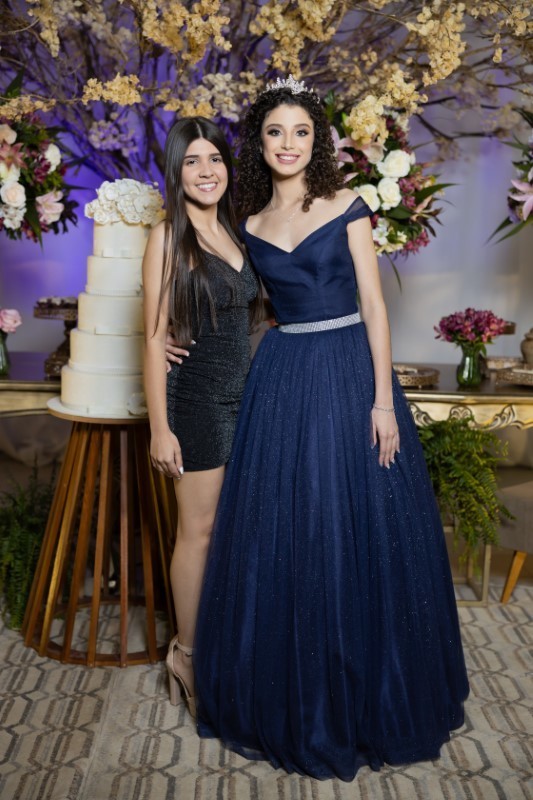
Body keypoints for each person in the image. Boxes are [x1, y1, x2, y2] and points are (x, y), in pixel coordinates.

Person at [191, 78, 470, 780]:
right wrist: (168, 338)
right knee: (290, 524)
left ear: (317, 142)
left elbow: (374, 305)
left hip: (348, 370)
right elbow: (228, 298)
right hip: (283, 375)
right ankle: (294, 691)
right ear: (258, 143)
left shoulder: (347, 204)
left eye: (301, 132)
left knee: (358, 519)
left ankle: (370, 688)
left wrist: (382, 402)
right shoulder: (247, 221)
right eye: (275, 132)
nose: (287, 144)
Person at [142, 117, 260, 718]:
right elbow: (153, 338)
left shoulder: (239, 233)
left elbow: (254, 317)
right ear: (176, 171)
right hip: (196, 403)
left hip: (248, 399)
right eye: (192, 161)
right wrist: (160, 428)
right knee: (199, 531)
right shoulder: (168, 237)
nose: (206, 170)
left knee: (234, 529)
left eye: (214, 158)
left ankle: (220, 643)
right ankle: (185, 654)